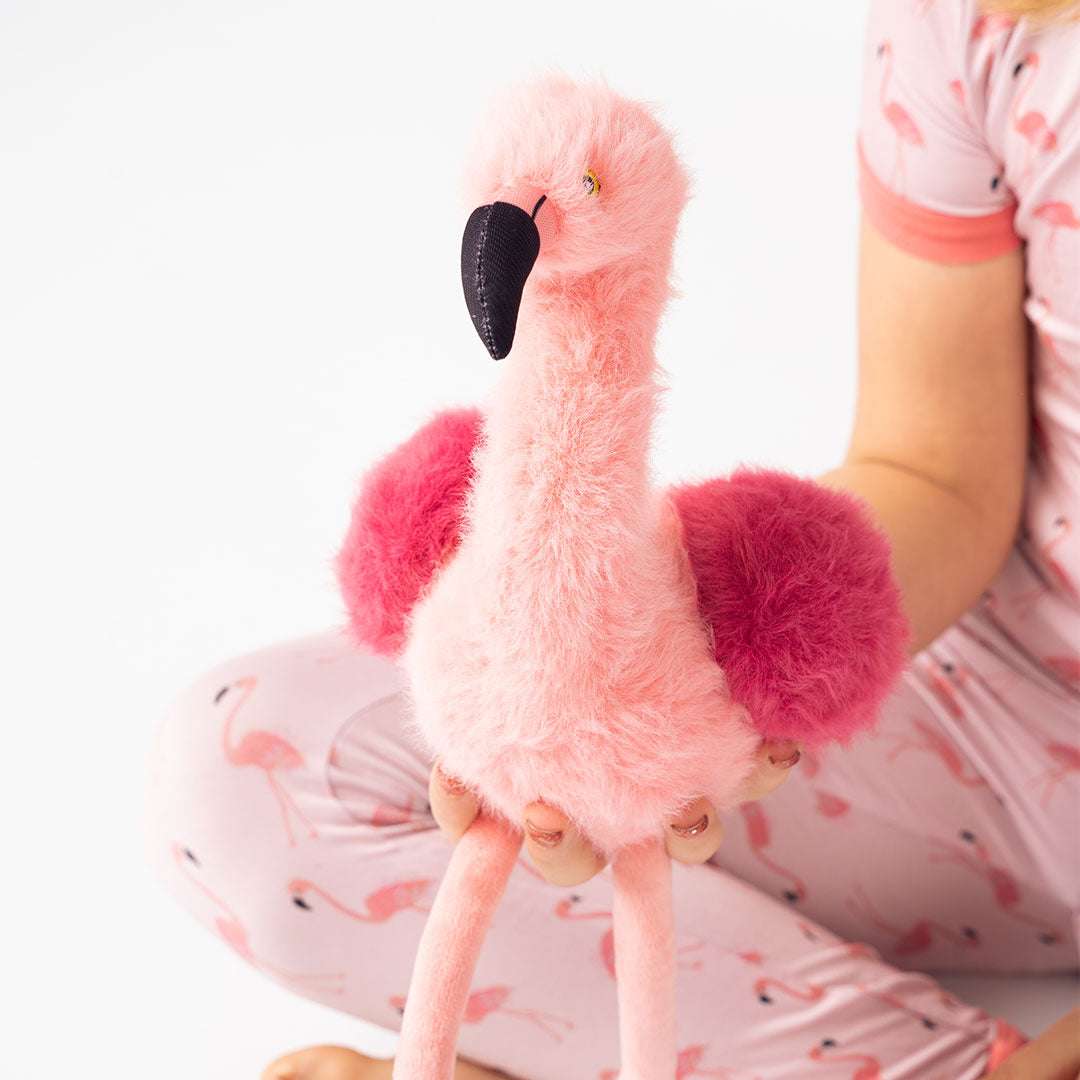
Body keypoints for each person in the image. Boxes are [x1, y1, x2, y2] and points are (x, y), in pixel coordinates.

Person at [142, 0, 1079, 1076]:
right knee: (233, 777)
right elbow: (941, 472)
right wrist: (688, 668)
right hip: (996, 719)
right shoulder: (984, 24)